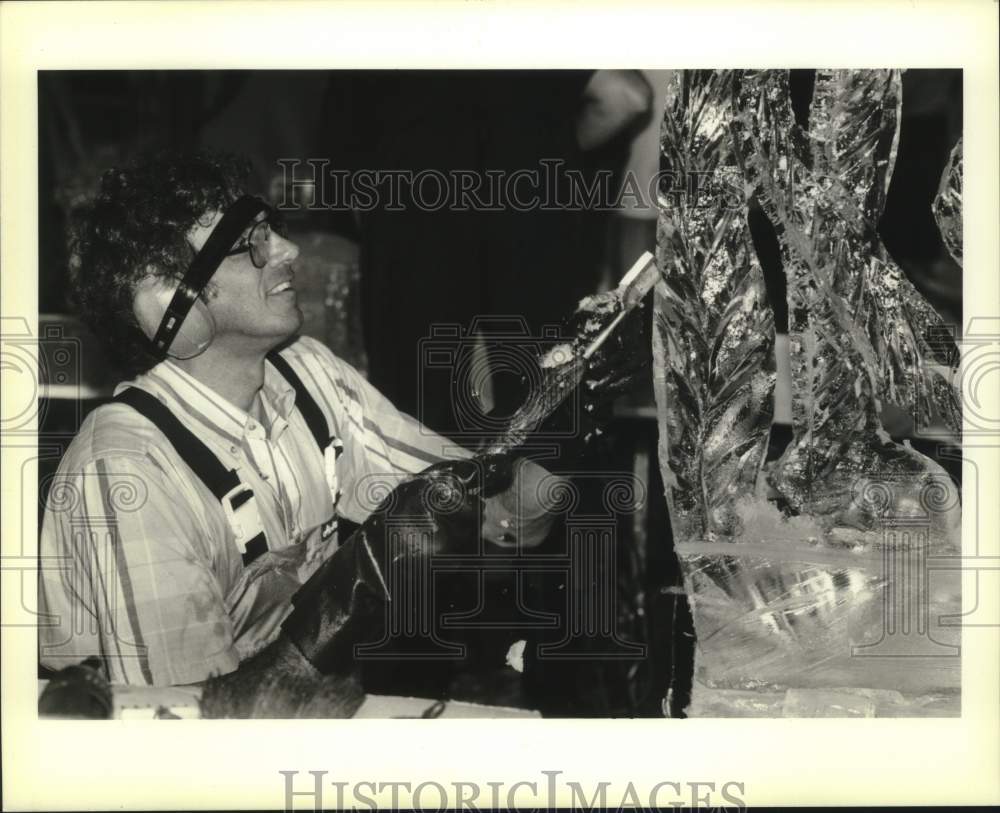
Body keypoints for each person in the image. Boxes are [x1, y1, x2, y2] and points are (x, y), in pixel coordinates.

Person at [37, 151, 565, 702]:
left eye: (273, 232)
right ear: (169, 300)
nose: (288, 251)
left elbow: (496, 511)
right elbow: (189, 743)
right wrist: (353, 590)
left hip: (295, 724)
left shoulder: (307, 374)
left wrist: (563, 412)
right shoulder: (129, 473)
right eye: (252, 243)